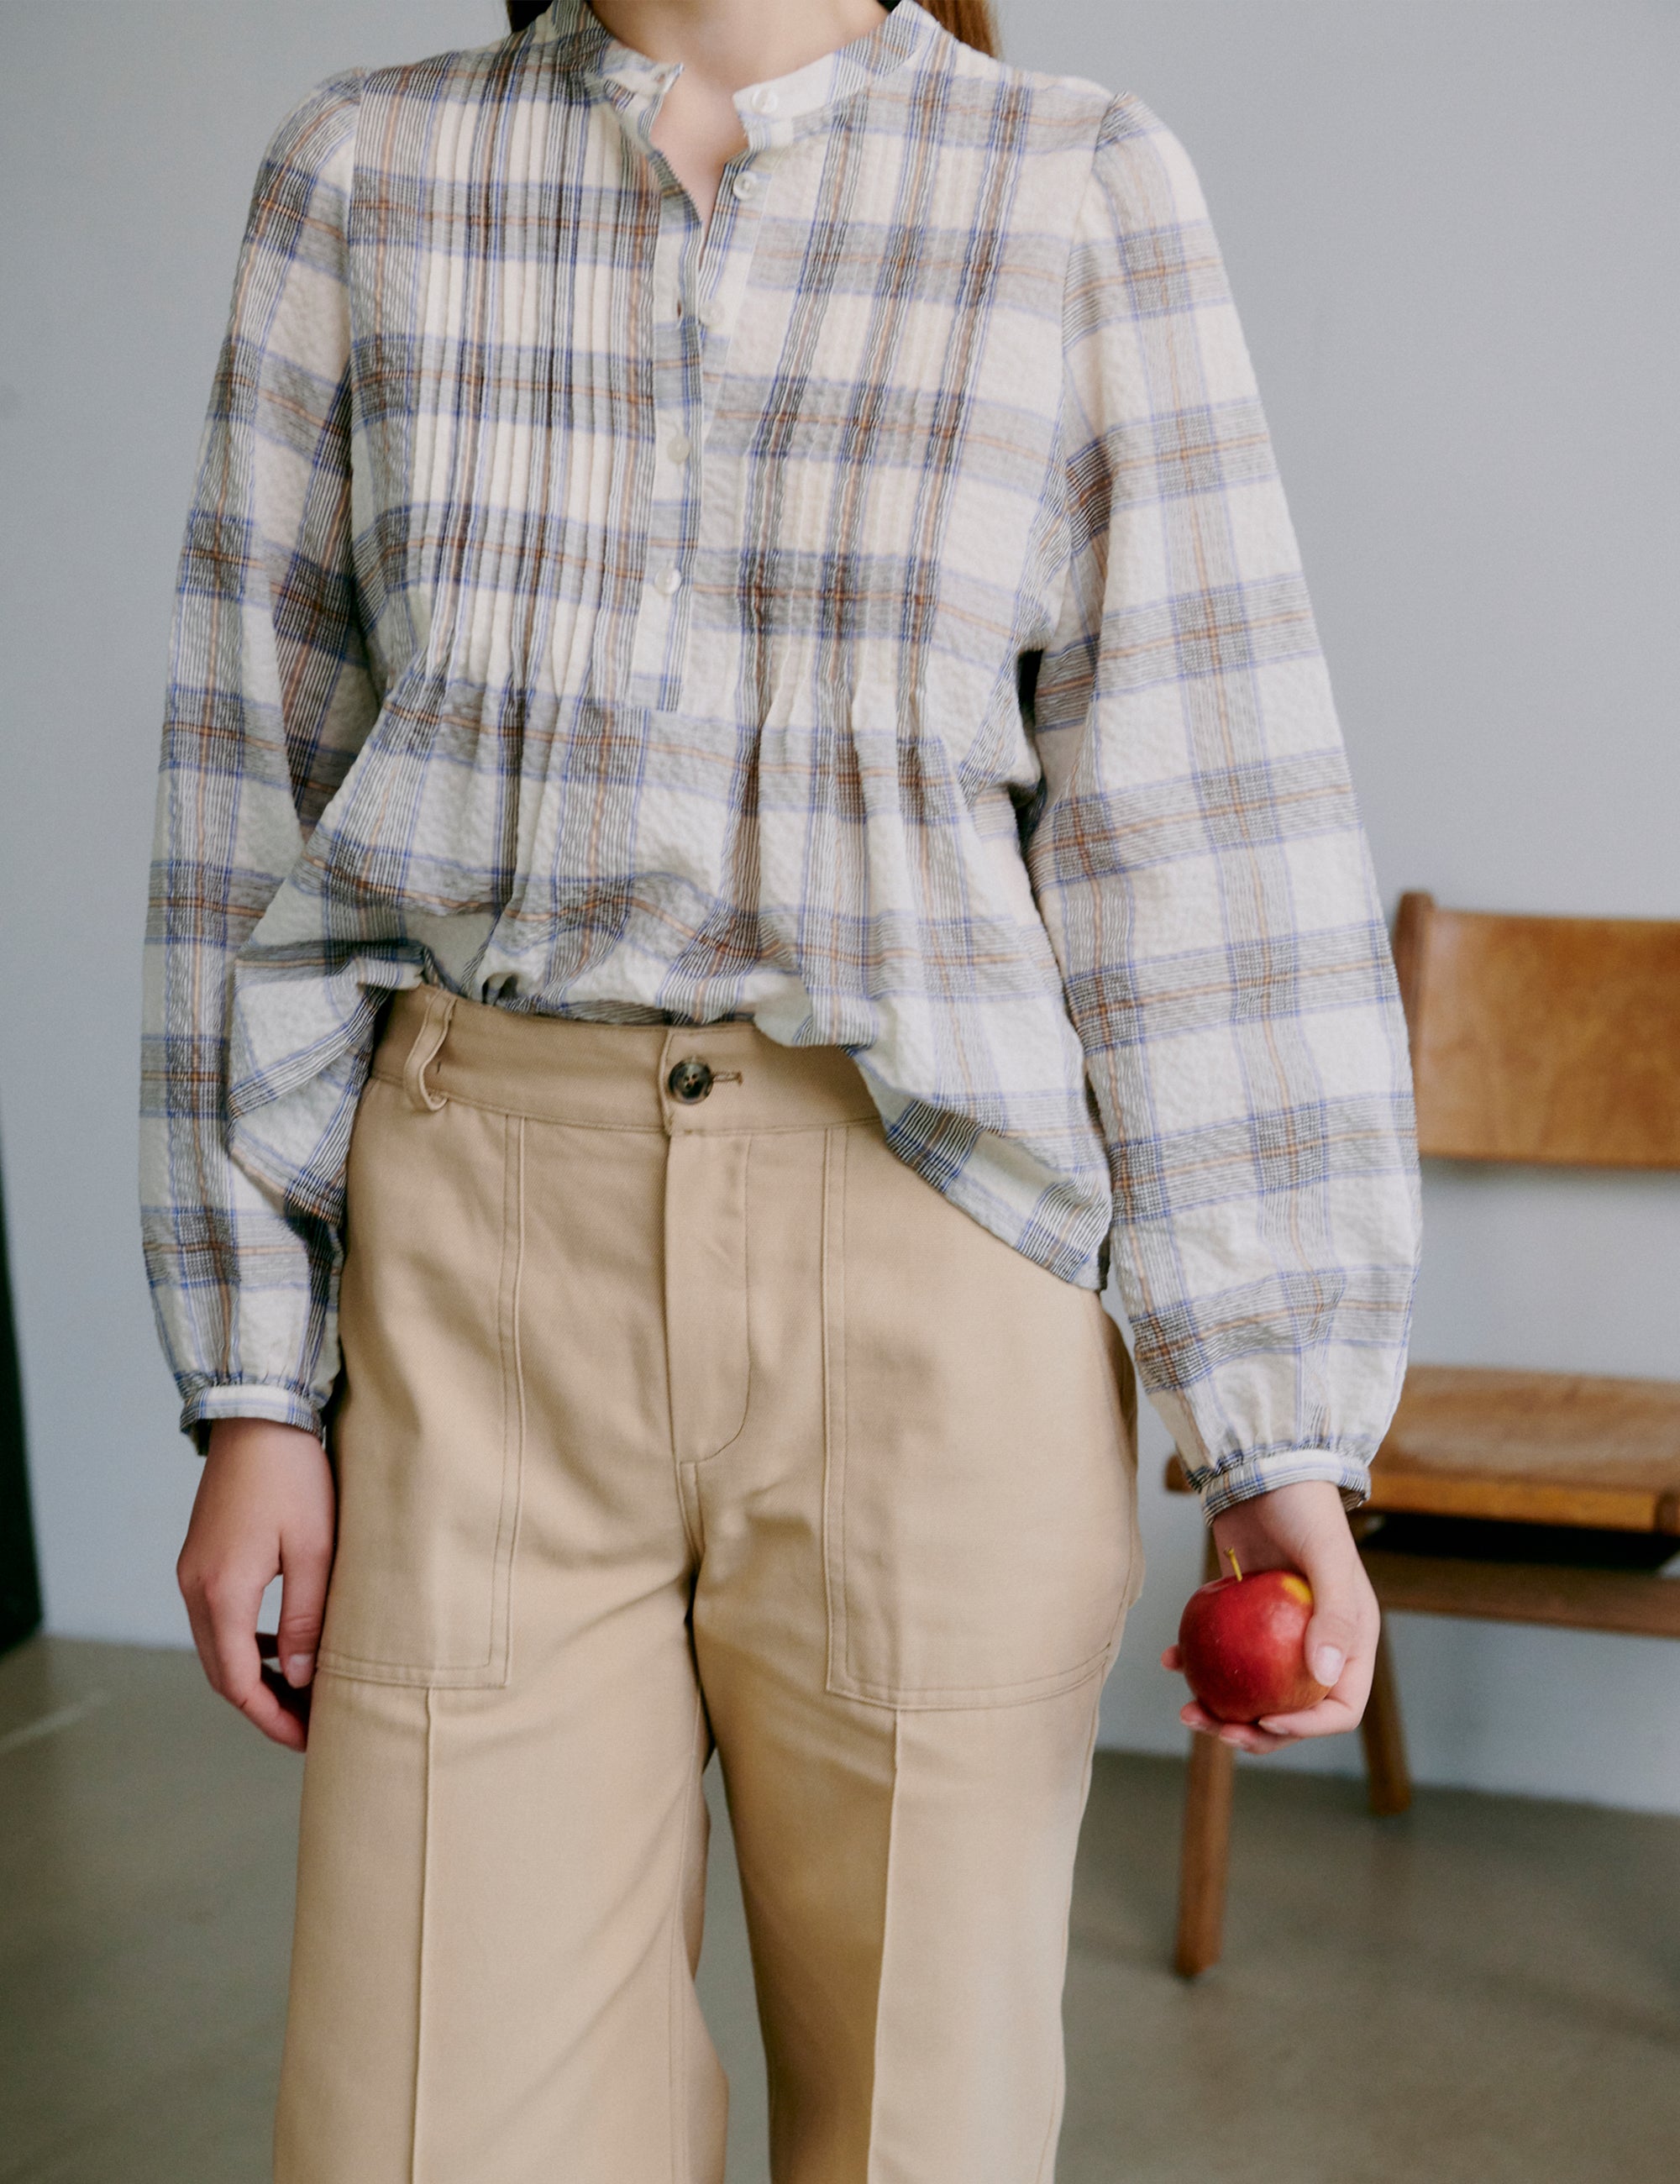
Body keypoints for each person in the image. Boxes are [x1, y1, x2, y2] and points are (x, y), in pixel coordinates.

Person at [143, 2, 1422, 2177]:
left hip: (931, 1262)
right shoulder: (364, 174)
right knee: (426, 2131)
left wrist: (1274, 1419)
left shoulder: (1076, 185)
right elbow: (240, 800)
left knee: (925, 2124)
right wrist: (257, 1384)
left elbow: (1198, 831)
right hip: (478, 1275)